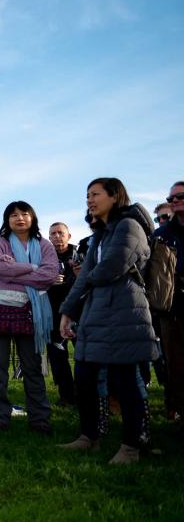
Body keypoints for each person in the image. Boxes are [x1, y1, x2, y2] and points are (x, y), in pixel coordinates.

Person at [59, 178, 159, 463]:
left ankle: (131, 445)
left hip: (123, 312)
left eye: (95, 194)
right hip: (96, 312)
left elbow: (111, 268)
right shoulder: (101, 234)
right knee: (86, 377)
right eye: (87, 195)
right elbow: (86, 277)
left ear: (115, 196)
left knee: (124, 380)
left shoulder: (129, 226)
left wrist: (87, 280)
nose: (89, 200)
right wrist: (67, 311)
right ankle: (89, 436)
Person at [0, 201, 57, 435]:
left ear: (32, 217)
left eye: (24, 214)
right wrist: (32, 268)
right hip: (0, 311)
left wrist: (14, 272)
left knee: (33, 368)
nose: (20, 218)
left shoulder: (44, 244)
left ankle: (39, 418)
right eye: (14, 215)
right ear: (7, 220)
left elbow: (49, 275)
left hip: (32, 314)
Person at [153, 181, 184, 422]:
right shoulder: (162, 235)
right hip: (172, 309)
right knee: (176, 367)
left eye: (180, 196)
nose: (174, 201)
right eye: (171, 197)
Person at [46, 222, 77, 406]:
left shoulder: (80, 254)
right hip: (53, 313)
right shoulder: (44, 258)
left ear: (69, 236)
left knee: (82, 354)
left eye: (60, 233)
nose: (57, 236)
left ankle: (84, 392)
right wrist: (48, 280)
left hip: (77, 313)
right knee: (58, 357)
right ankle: (66, 394)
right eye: (53, 234)